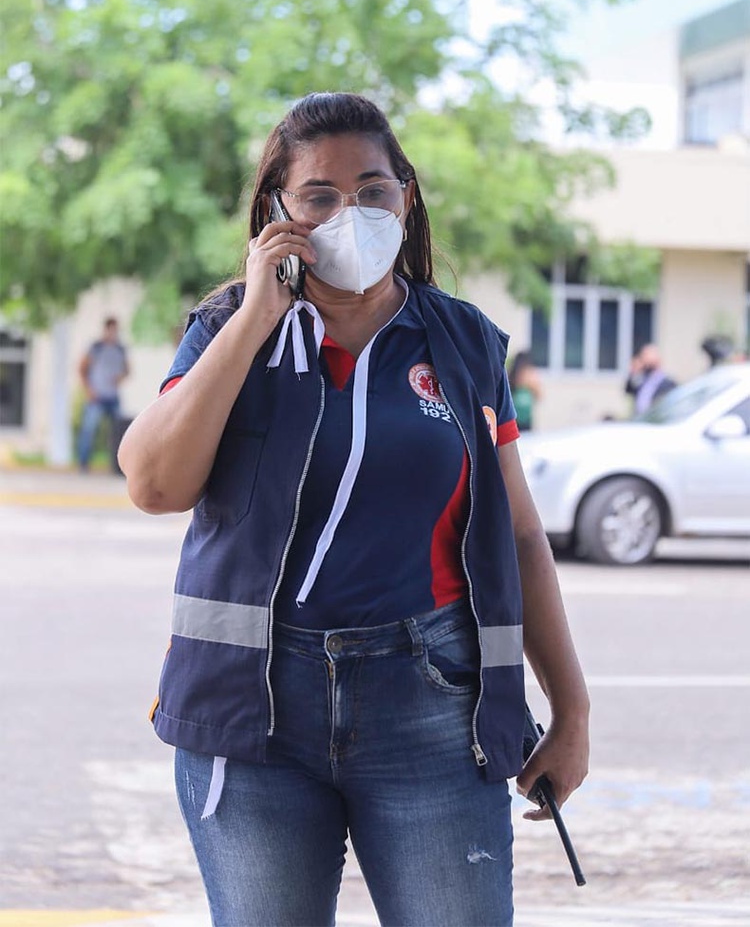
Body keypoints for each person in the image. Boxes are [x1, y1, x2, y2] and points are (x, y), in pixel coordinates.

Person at [118, 92, 589, 927]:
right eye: (321, 196)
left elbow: (518, 532)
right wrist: (259, 313)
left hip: (433, 704)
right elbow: (154, 484)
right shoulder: (228, 327)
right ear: (278, 211)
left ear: (406, 198)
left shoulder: (464, 342)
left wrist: (572, 711)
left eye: (374, 190)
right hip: (251, 708)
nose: (352, 213)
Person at [77, 316, 129, 472]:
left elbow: (127, 369)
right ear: (106, 329)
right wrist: (89, 390)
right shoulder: (96, 347)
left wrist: (121, 377)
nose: (113, 333)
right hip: (97, 397)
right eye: (111, 329)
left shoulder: (120, 349)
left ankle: (118, 466)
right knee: (89, 430)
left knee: (119, 432)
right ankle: (84, 464)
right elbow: (82, 369)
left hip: (112, 396)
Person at [625, 343, 676, 414]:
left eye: (646, 356)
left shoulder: (668, 383)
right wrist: (634, 370)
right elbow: (628, 390)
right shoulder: (642, 379)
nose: (644, 359)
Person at [508, 350, 542, 432]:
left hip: (526, 424)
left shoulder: (530, 385)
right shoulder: (511, 383)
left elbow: (539, 396)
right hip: (514, 423)